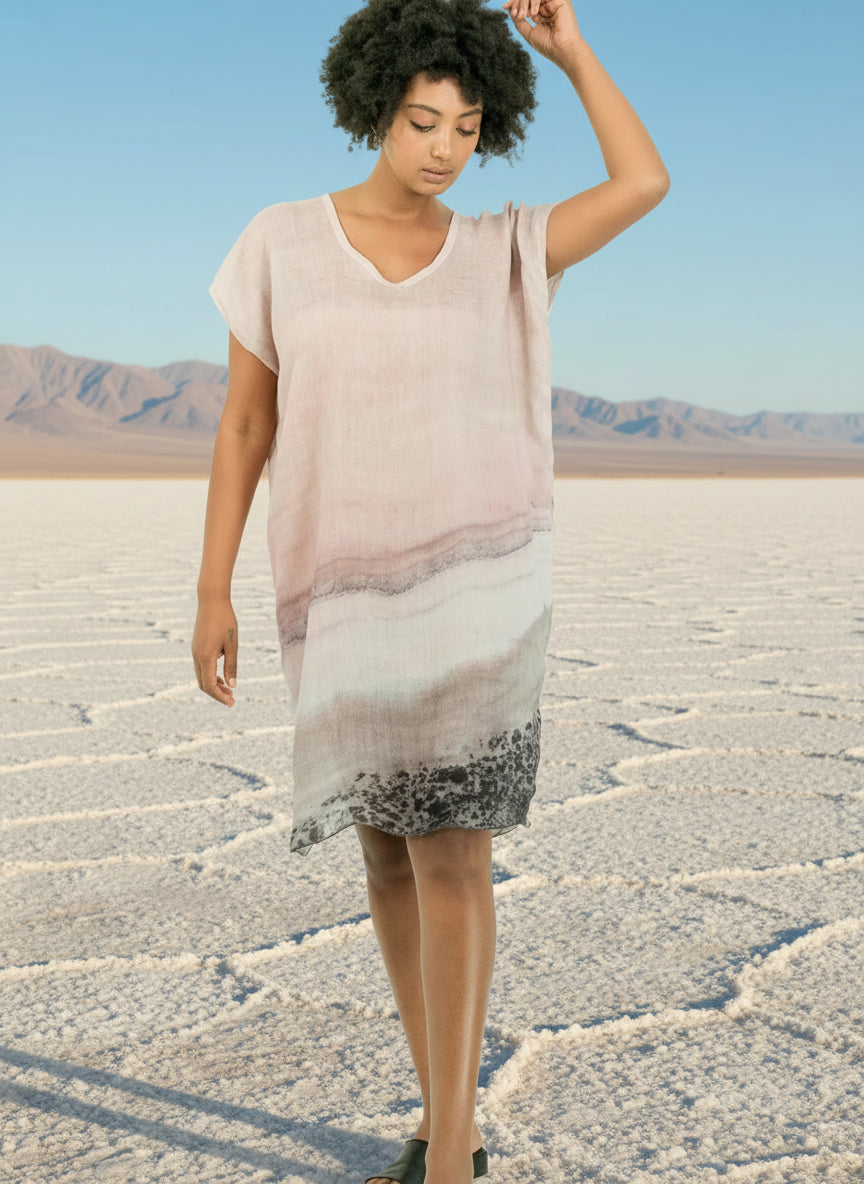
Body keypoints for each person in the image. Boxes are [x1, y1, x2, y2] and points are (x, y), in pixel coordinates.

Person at [192, 0, 669, 1180]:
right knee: (388, 859)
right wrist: (212, 588)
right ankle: (436, 1114)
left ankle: (452, 1153)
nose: (444, 146)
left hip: (476, 601)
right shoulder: (282, 241)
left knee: (455, 855)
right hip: (341, 595)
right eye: (421, 120)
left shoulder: (507, 248)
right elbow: (248, 419)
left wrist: (570, 52)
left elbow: (645, 180)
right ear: (374, 109)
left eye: (466, 125)